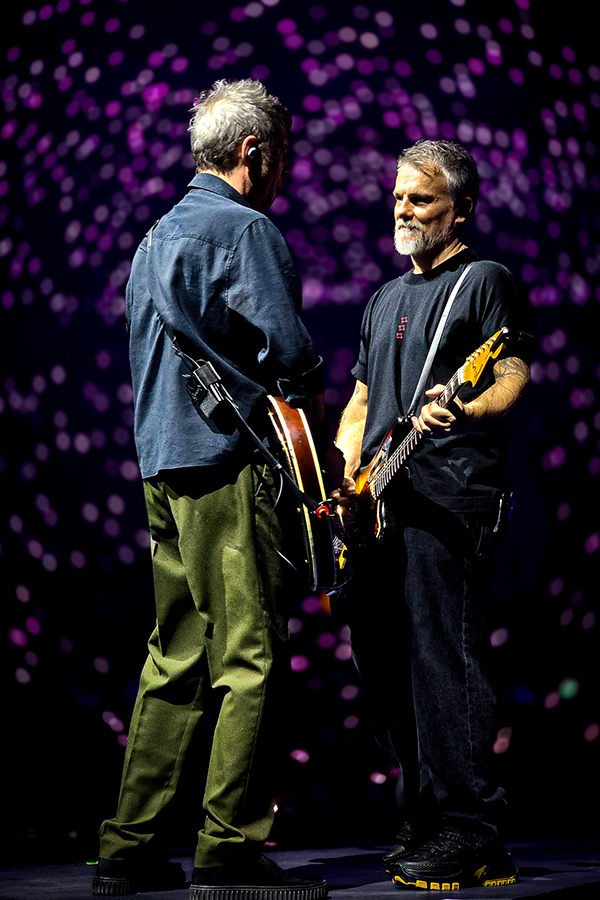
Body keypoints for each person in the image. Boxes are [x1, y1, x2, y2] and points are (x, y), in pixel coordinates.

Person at [93, 79, 329, 900]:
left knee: (175, 656)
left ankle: (128, 848)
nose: (284, 174)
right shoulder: (247, 230)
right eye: (282, 157)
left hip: (162, 466)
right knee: (250, 657)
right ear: (253, 152)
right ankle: (228, 849)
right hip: (228, 468)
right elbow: (290, 355)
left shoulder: (153, 237)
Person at [333, 139, 532, 891]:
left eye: (421, 199)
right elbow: (360, 402)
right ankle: (424, 819)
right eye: (398, 198)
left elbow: (511, 372)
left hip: (448, 499)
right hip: (379, 505)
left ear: (462, 208)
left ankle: (473, 831)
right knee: (384, 668)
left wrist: (469, 409)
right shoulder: (383, 298)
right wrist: (344, 478)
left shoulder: (484, 281)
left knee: (445, 662)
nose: (403, 211)